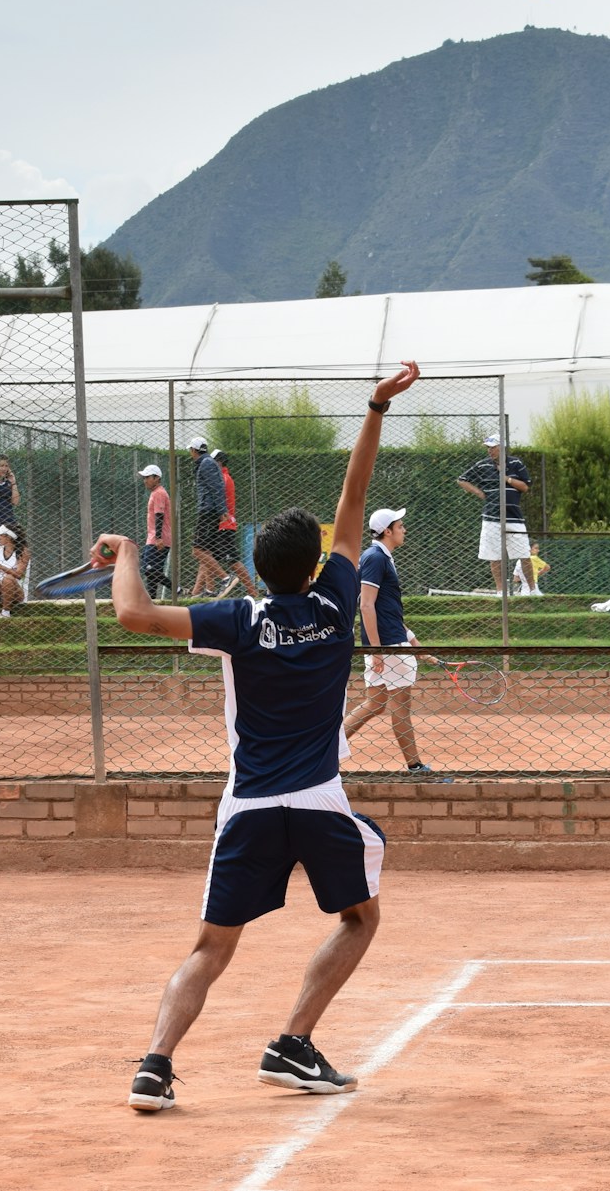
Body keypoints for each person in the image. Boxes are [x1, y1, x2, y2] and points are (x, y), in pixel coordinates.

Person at [103, 360, 420, 1114]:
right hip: (317, 800)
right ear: (314, 565)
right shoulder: (339, 602)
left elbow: (134, 615)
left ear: (256, 568)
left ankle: (154, 1066)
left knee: (211, 947)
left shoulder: (239, 620)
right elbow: (353, 500)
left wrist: (123, 552)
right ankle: (291, 1042)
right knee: (361, 918)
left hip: (247, 806)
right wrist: (374, 406)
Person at [343, 508, 434, 776]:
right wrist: (378, 650)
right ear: (387, 531)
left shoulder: (382, 557)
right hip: (388, 647)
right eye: (400, 525)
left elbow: (389, 611)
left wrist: (416, 646)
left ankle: (322, 753)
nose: (404, 529)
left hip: (390, 643)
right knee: (401, 707)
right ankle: (415, 766)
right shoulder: (375, 558)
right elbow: (367, 605)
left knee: (375, 703)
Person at [457, 434, 532, 593]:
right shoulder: (482, 465)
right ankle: (500, 592)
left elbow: (525, 487)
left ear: (502, 448)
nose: (489, 451)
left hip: (514, 517)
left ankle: (532, 590)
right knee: (494, 555)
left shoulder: (515, 463)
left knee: (524, 554)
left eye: (493, 447)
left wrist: (506, 478)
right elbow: (462, 479)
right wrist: (478, 492)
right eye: (488, 447)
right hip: (491, 518)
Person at [185, 437, 235, 599]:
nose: (190, 453)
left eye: (190, 450)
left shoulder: (206, 464)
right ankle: (210, 590)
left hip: (208, 511)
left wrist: (221, 510)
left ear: (194, 450)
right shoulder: (206, 463)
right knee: (205, 551)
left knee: (197, 550)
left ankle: (226, 578)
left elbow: (216, 488)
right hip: (210, 510)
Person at [211, 448, 259, 600]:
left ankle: (254, 593)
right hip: (219, 525)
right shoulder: (221, 477)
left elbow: (218, 504)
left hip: (224, 526)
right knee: (206, 556)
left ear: (218, 462)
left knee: (232, 561)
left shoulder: (223, 479)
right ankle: (205, 591)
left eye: (212, 462)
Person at [138, 464, 173, 599]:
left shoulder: (159, 493)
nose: (145, 480)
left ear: (157, 478)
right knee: (152, 571)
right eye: (144, 477)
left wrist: (158, 538)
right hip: (153, 537)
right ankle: (152, 600)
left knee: (149, 568)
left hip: (158, 538)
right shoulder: (156, 492)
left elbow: (160, 515)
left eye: (147, 477)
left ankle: (177, 589)